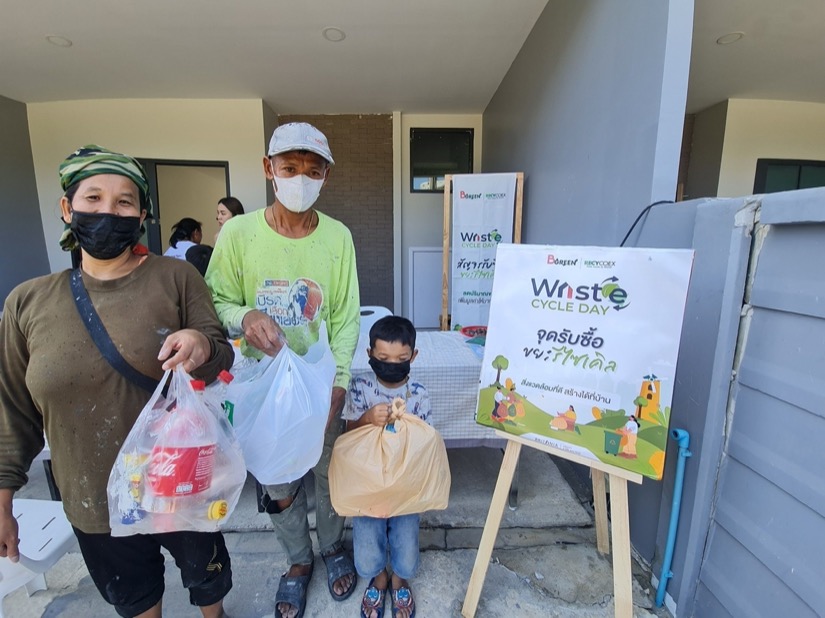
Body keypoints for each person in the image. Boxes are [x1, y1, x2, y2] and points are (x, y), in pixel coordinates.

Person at [0, 145, 235, 618]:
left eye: (124, 202)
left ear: (142, 215)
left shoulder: (176, 277)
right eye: (92, 198)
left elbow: (219, 350)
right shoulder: (27, 303)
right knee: (135, 599)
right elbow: (13, 410)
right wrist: (3, 498)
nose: (108, 211)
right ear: (68, 209)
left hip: (180, 480)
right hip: (93, 498)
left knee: (207, 583)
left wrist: (200, 344)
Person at [206, 122, 360, 618]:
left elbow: (344, 317)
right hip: (261, 386)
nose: (301, 179)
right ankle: (297, 561)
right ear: (268, 169)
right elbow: (216, 300)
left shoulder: (337, 238)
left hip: (319, 385)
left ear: (326, 178)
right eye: (290, 168)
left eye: (313, 171)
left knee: (329, 473)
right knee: (277, 482)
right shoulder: (238, 234)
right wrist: (244, 316)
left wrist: (337, 385)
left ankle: (334, 547)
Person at [342, 316, 429, 618]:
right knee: (366, 551)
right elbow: (348, 435)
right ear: (370, 355)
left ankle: (398, 579)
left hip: (405, 482)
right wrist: (366, 418)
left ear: (413, 357)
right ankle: (378, 577)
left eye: (401, 359)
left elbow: (426, 442)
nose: (392, 364)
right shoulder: (361, 387)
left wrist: (409, 426)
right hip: (367, 483)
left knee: (406, 548)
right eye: (383, 359)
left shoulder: (417, 393)